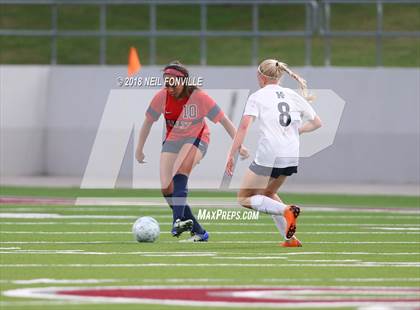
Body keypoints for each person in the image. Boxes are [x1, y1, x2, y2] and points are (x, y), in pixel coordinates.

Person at [136, 61, 248, 242]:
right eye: (166, 83)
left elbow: (225, 121)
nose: (169, 87)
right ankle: (199, 231)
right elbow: (148, 122)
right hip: (173, 140)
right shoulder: (161, 97)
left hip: (198, 138)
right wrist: (139, 148)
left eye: (173, 83)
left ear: (184, 81)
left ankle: (177, 221)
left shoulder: (200, 98)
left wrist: (239, 145)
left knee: (180, 172)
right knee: (166, 188)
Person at [226, 59, 322, 247]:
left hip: (270, 152)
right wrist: (298, 131)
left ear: (261, 77)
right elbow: (318, 123)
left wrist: (232, 153)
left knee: (244, 198)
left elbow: (244, 126)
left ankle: (287, 210)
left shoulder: (257, 96)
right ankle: (290, 240)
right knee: (269, 193)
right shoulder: (292, 95)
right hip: (291, 153)